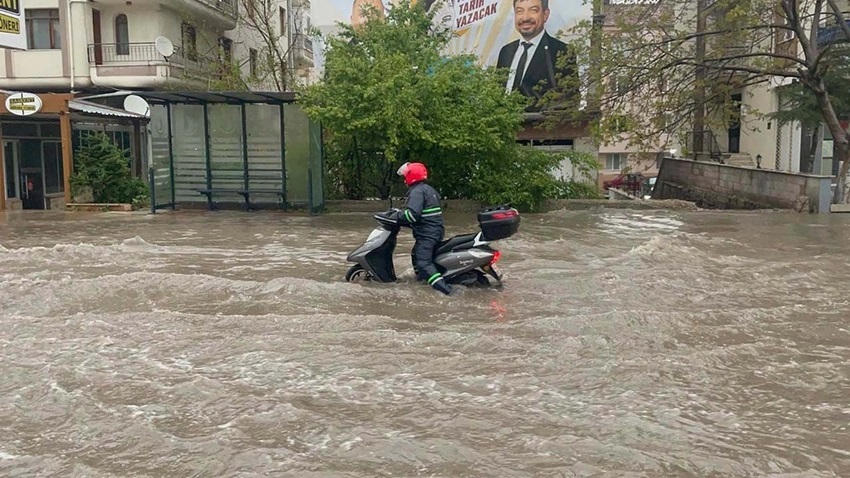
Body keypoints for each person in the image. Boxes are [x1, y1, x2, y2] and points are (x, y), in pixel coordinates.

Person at [495, 0, 576, 107]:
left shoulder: (561, 51)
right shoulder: (506, 51)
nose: (525, 18)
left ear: (545, 14)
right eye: (519, 11)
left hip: (539, 122)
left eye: (533, 10)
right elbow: (496, 94)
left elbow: (571, 100)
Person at [389, 162, 453, 296]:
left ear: (411, 176)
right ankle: (423, 282)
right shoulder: (428, 189)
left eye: (405, 176)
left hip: (428, 234)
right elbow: (422, 214)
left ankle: (447, 291)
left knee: (423, 262)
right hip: (435, 230)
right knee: (415, 254)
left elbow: (412, 215)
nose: (404, 179)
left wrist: (396, 215)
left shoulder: (417, 192)